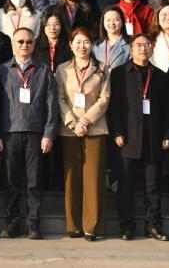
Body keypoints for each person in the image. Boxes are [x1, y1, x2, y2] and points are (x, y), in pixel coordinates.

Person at [108, 33, 169, 242]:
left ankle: (153, 225)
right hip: (127, 137)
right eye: (138, 45)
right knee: (126, 184)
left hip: (153, 136)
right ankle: (126, 226)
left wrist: (167, 134)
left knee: (153, 186)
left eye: (146, 45)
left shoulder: (160, 75)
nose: (143, 48)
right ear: (130, 49)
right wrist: (117, 131)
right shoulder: (119, 74)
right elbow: (114, 106)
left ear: (152, 48)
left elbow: (167, 108)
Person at [0, 27, 57, 240]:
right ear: (13, 44)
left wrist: (49, 133)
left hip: (35, 132)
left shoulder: (44, 70)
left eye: (29, 41)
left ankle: (33, 223)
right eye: (20, 41)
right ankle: (12, 223)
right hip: (9, 132)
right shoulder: (2, 70)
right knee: (11, 180)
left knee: (34, 181)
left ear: (34, 44)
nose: (24, 45)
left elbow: (51, 104)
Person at [55, 28, 111, 241]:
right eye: (77, 42)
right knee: (72, 178)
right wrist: (73, 122)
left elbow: (104, 99)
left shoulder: (102, 68)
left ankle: (91, 226)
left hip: (94, 128)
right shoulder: (62, 69)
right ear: (70, 45)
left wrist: (85, 121)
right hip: (69, 129)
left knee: (93, 178)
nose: (82, 46)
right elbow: (59, 98)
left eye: (86, 42)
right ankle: (74, 225)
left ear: (92, 45)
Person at [93, 7, 131, 75]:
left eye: (116, 20)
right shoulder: (95, 46)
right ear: (103, 23)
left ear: (122, 23)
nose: (112, 23)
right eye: (108, 20)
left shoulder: (130, 45)